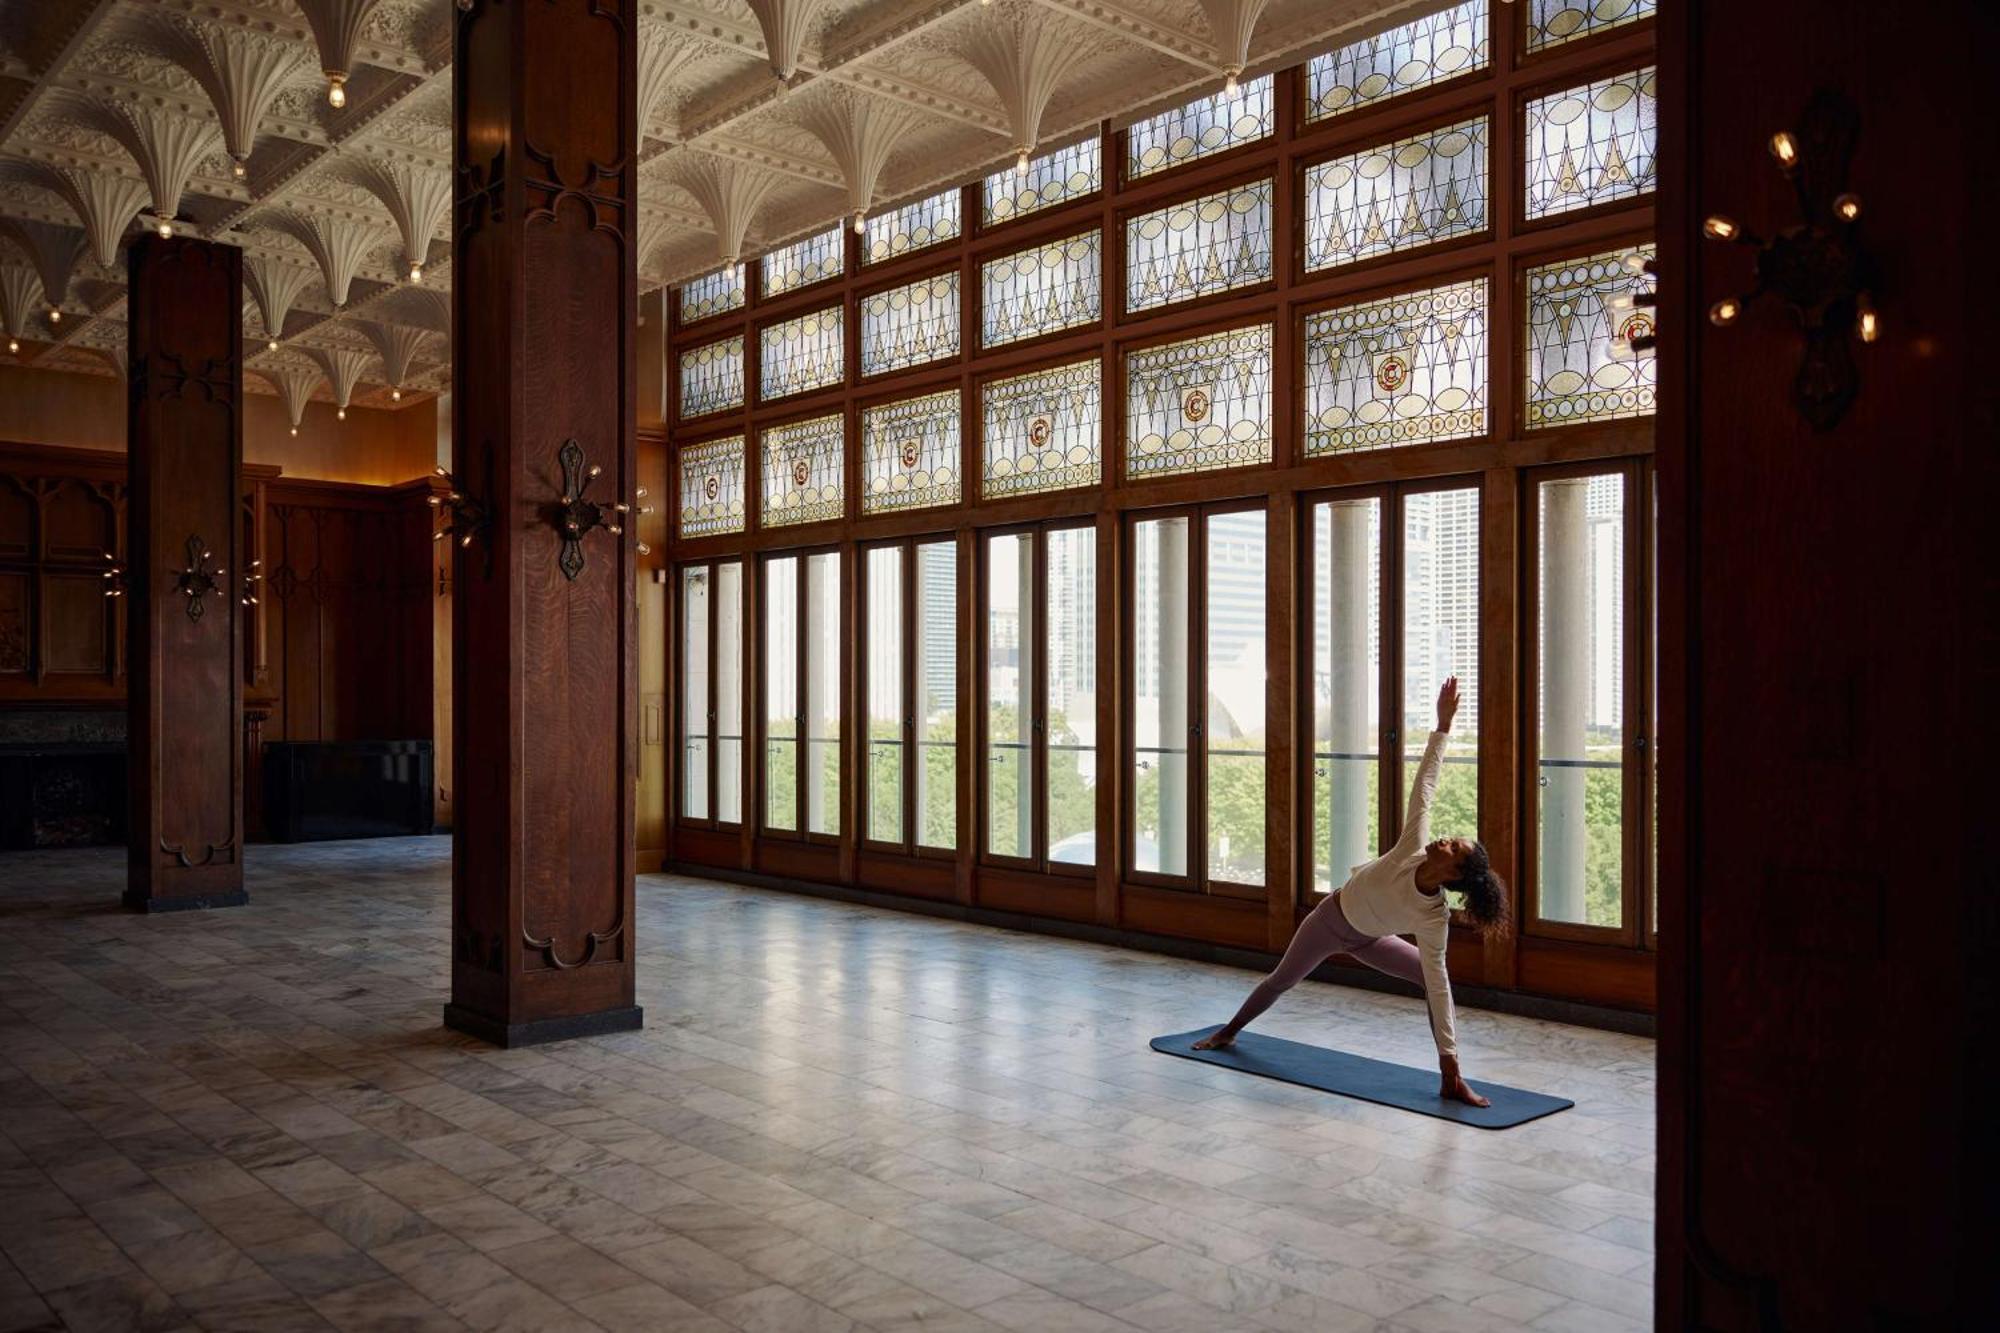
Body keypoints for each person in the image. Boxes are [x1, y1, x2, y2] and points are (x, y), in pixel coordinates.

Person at [1193, 676, 1508, 1107]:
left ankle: (1450, 1078)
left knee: (1436, 980)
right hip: (1330, 920)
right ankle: (1228, 1032)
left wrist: (1449, 1062)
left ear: (1453, 874)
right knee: (1282, 980)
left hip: (1370, 940)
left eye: (1453, 847)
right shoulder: (1411, 849)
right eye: (1452, 837)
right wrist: (1442, 727)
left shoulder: (1434, 918)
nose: (1445, 840)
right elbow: (1425, 788)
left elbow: (1436, 984)